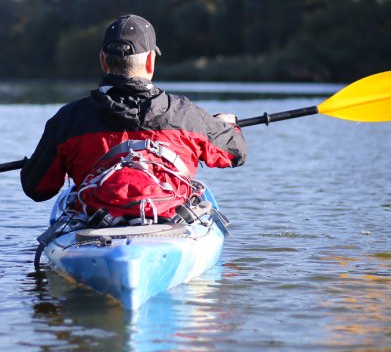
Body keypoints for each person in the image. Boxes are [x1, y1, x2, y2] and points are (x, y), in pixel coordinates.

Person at [20, 14, 247, 215]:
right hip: (168, 220)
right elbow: (236, 153)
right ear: (150, 60)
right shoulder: (186, 114)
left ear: (103, 61)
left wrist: (38, 160)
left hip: (96, 225)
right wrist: (226, 125)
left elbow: (37, 189)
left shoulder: (68, 120)